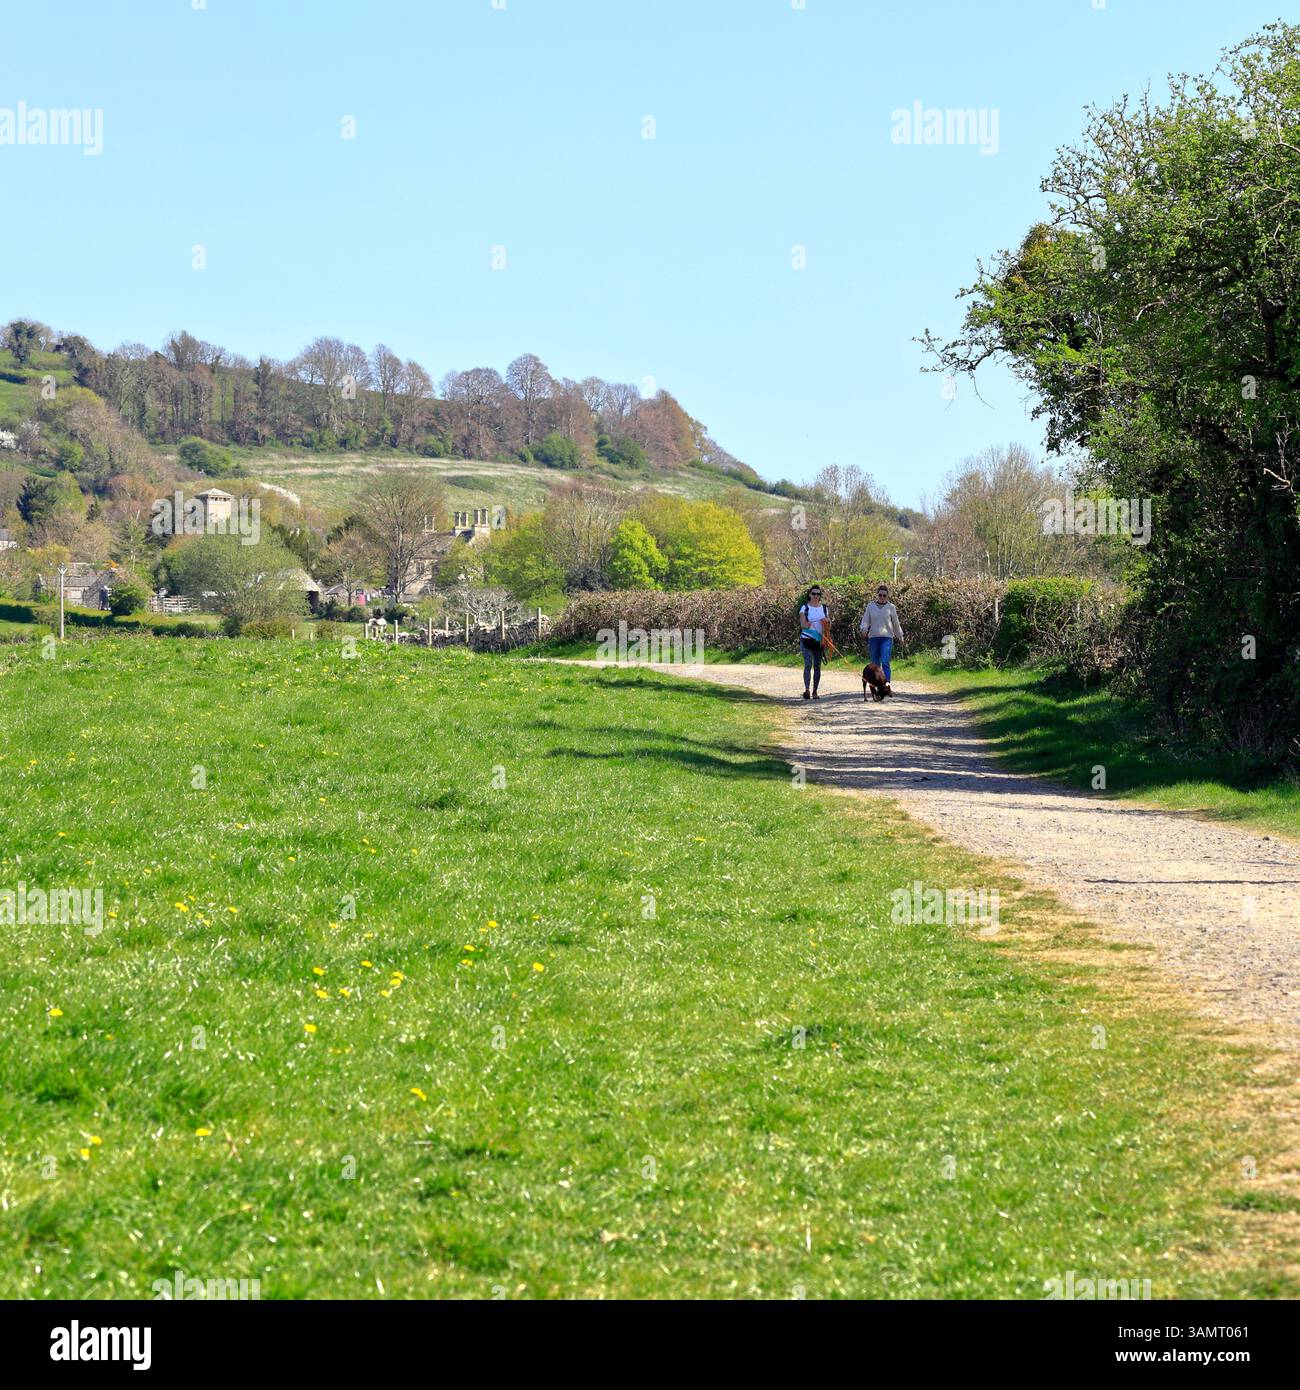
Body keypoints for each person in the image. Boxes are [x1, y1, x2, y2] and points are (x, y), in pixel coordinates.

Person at [859, 583, 904, 692]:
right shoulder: (871, 606)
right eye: (880, 595)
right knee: (875, 663)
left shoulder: (891, 607)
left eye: (884, 595)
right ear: (877, 595)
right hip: (874, 637)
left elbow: (895, 623)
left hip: (887, 638)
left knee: (885, 661)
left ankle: (886, 685)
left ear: (887, 596)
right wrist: (864, 629)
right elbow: (865, 620)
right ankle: (877, 684)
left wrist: (900, 636)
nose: (882, 597)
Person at [798, 585, 828, 699]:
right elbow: (803, 624)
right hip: (806, 639)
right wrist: (808, 624)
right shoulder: (804, 608)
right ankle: (807, 690)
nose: (816, 596)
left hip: (819, 641)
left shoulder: (824, 608)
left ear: (820, 596)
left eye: (818, 594)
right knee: (808, 664)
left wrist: (827, 621)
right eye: (813, 593)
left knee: (817, 666)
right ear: (809, 595)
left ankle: (815, 691)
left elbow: (828, 624)